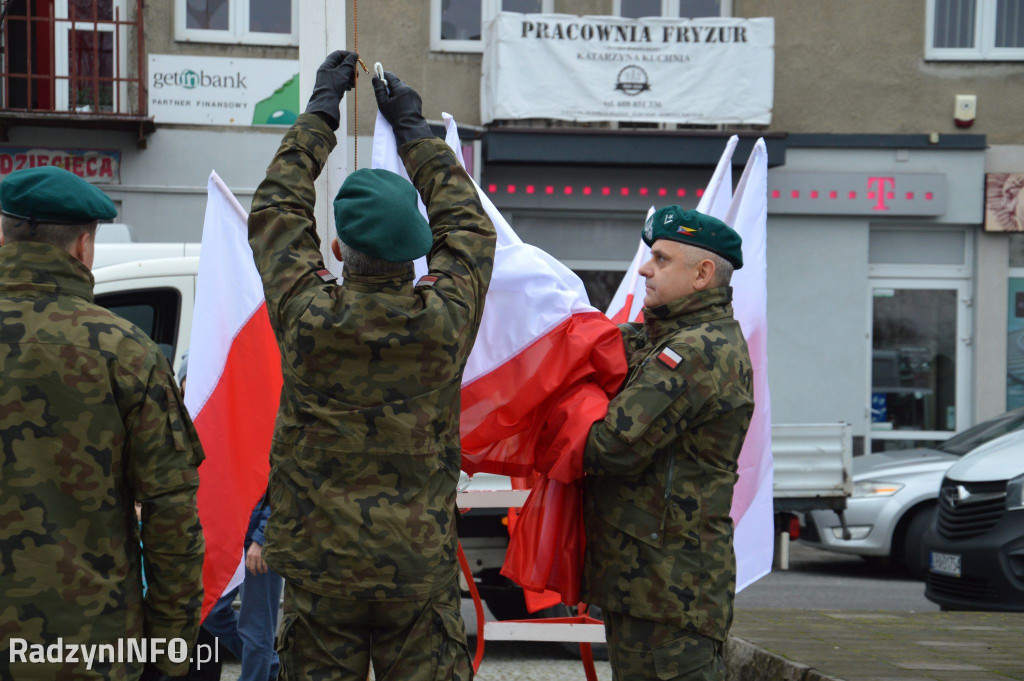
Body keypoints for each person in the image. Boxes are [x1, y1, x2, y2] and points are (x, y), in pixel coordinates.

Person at [247, 50, 496, 681]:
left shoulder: (307, 318)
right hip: (416, 568)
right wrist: (414, 129)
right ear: (416, 254)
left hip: (319, 568)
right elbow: (469, 227)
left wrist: (321, 111)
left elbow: (277, 208)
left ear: (336, 249)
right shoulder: (444, 321)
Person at [0, 166, 206, 680]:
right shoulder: (127, 353)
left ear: (4, 238)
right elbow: (170, 515)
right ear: (83, 246)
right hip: (89, 647)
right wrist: (171, 653)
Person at [582, 206, 754, 681]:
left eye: (661, 259)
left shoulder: (696, 351)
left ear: (702, 274)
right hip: (649, 583)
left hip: (670, 591)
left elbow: (607, 447)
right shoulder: (670, 338)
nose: (644, 269)